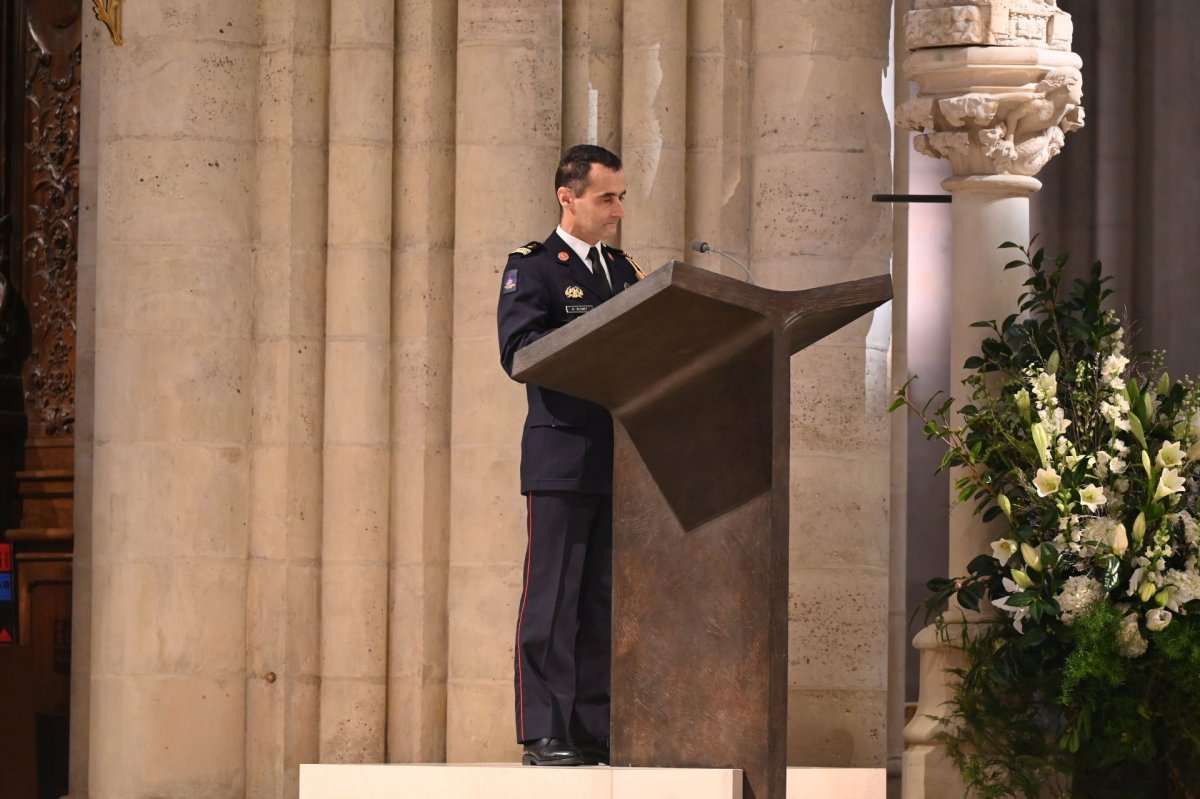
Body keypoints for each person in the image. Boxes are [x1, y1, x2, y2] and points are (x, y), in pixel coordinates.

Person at [496, 144, 644, 767]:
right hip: (562, 451)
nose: (617, 210)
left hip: (624, 454)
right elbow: (520, 350)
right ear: (569, 196)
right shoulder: (533, 267)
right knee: (552, 595)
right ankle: (544, 731)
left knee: (602, 597)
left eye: (621, 197)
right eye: (607, 197)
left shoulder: (623, 270)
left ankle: (591, 725)